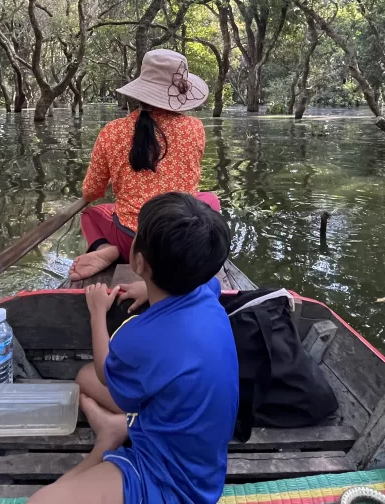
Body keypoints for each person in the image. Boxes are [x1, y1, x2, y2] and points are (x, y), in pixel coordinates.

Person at [28, 193, 239, 504]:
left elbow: (105, 372)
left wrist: (98, 313)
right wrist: (148, 287)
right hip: (203, 461)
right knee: (83, 377)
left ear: (138, 261)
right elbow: (205, 287)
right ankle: (116, 428)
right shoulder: (206, 292)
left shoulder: (138, 337)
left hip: (172, 481)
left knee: (39, 503)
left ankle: (108, 442)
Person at [69, 49, 219, 282]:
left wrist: (115, 177)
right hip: (182, 239)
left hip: (132, 241)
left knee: (89, 214)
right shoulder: (195, 128)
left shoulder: (112, 132)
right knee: (210, 200)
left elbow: (91, 192)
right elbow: (188, 177)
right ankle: (202, 248)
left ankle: (104, 249)